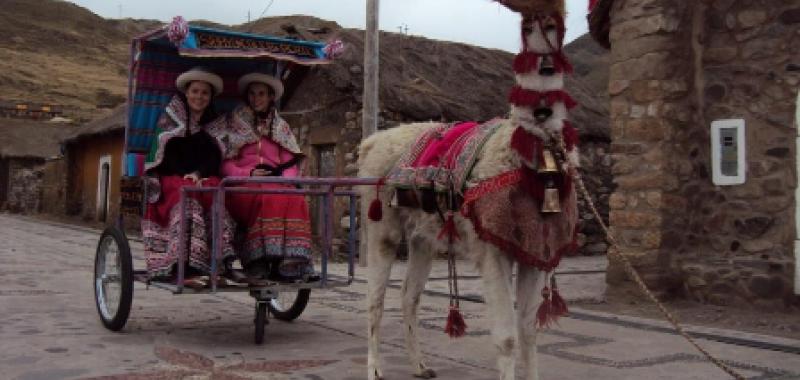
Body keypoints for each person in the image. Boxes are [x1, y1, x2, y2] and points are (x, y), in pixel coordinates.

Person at [141, 67, 235, 288]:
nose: (199, 97)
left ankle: (218, 264)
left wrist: (199, 174)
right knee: (188, 194)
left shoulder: (214, 123)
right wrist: (187, 175)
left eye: (204, 93)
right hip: (171, 176)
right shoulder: (171, 117)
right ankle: (184, 265)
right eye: (195, 91)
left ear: (210, 97)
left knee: (217, 191)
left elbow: (214, 156)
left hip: (199, 177)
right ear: (186, 92)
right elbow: (164, 154)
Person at [220, 72, 315, 282]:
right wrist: (247, 173)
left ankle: (293, 261)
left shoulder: (281, 127)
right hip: (242, 185)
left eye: (261, 94)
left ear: (271, 96)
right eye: (252, 94)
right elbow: (226, 162)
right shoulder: (234, 123)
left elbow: (290, 162)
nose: (256, 98)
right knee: (267, 196)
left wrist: (285, 181)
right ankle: (258, 260)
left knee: (295, 198)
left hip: (275, 182)